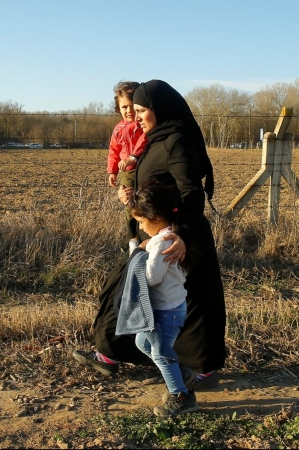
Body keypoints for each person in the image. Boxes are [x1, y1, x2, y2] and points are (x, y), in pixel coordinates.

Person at [74, 79, 226, 390]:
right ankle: (111, 353)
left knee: (195, 303)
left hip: (180, 236)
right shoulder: (156, 139)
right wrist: (130, 193)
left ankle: (203, 369)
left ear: (160, 109)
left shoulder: (177, 141)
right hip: (154, 231)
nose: (137, 116)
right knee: (130, 289)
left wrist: (181, 235)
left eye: (142, 110)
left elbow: (192, 194)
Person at [117, 180, 199, 416]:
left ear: (155, 217)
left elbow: (152, 277)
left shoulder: (162, 242)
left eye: (142, 221)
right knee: (142, 343)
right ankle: (183, 375)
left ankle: (181, 397)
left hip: (167, 311)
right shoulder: (162, 237)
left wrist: (138, 254)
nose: (141, 227)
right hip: (164, 308)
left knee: (161, 353)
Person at [107, 81, 147, 238]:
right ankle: (133, 237)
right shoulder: (118, 129)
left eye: (132, 105)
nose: (129, 110)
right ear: (118, 108)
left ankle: (146, 233)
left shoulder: (142, 124)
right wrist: (112, 171)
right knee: (129, 203)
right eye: (124, 107)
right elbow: (113, 150)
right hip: (127, 172)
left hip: (142, 167)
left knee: (144, 202)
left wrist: (133, 157)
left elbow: (144, 140)